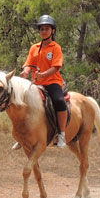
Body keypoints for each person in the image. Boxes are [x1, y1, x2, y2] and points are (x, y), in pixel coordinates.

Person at [20, 14, 69, 147]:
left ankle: (62, 134)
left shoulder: (56, 47)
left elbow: (56, 67)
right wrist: (25, 71)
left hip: (53, 82)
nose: (44, 31)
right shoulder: (34, 48)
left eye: (47, 29)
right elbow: (29, 64)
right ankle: (21, 136)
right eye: (41, 29)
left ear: (53, 31)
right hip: (37, 84)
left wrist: (43, 75)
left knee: (59, 101)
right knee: (21, 101)